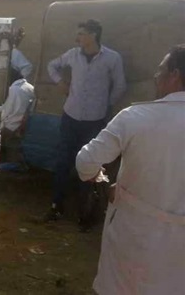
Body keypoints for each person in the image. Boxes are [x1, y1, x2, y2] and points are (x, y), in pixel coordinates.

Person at [75, 44, 185, 295]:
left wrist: (101, 180)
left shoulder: (135, 116)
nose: (156, 75)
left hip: (135, 233)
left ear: (175, 75)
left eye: (160, 69)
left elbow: (85, 161)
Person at [45, 19, 126, 230]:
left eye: (81, 34)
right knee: (62, 163)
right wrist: (60, 82)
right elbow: (52, 65)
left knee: (89, 167)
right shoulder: (73, 55)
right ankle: (56, 207)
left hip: (94, 121)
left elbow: (120, 85)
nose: (77, 38)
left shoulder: (112, 58)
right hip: (70, 117)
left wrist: (105, 106)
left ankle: (85, 214)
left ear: (93, 35)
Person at [0, 67, 35, 169]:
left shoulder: (13, 90)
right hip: (23, 125)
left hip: (11, 126)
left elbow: (5, 112)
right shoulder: (30, 87)